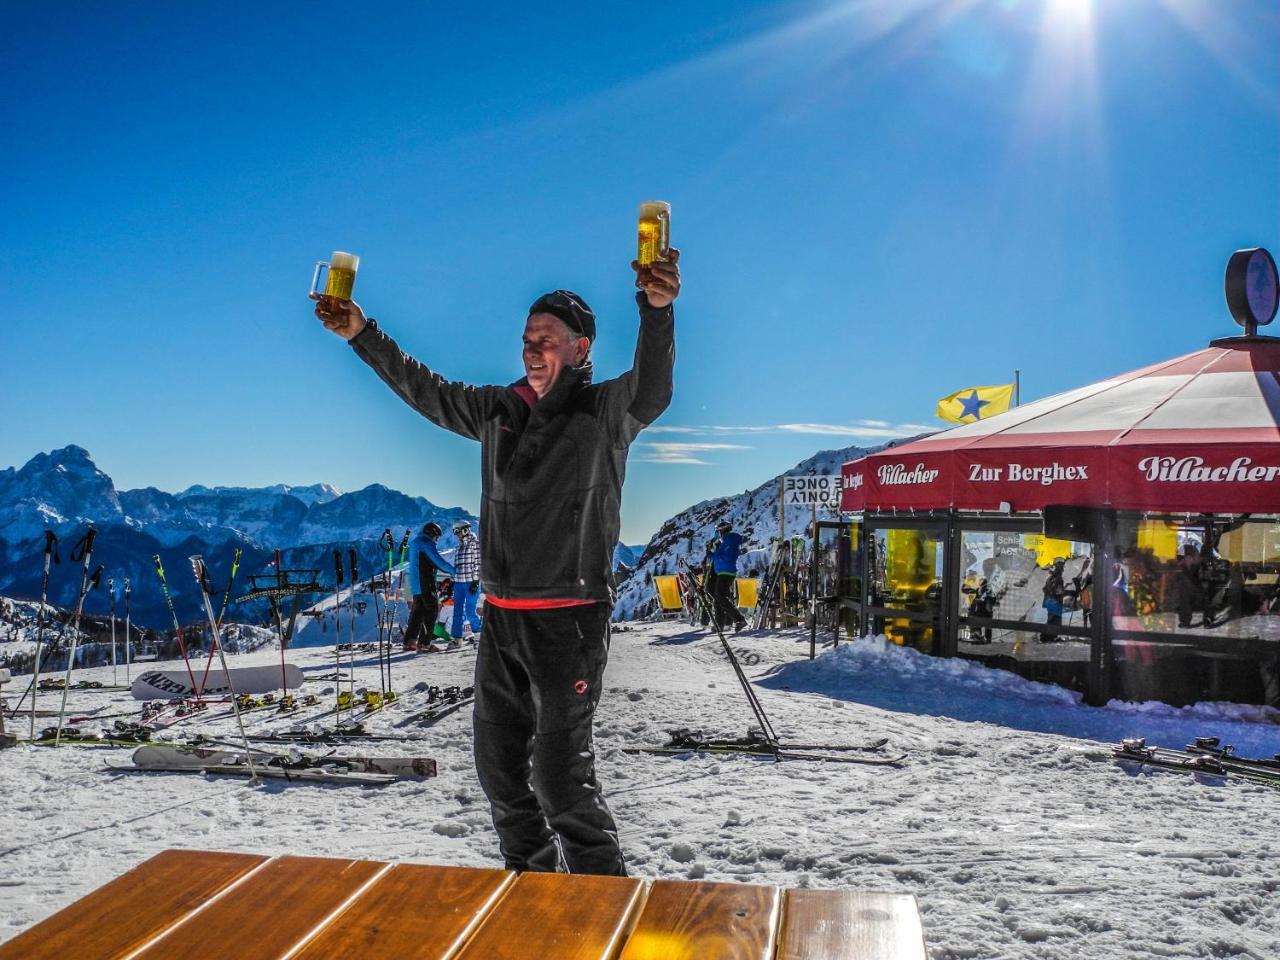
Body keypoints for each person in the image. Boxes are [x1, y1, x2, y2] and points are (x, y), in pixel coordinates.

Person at [315, 248, 679, 877]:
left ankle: (603, 904)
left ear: (581, 348)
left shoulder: (603, 412)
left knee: (561, 781)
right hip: (502, 618)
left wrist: (656, 309)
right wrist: (360, 333)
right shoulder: (498, 411)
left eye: (547, 340)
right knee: (501, 775)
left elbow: (653, 387)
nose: (532, 350)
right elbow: (424, 389)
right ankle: (534, 899)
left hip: (569, 621)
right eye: (526, 340)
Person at [403, 522, 455, 652]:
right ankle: (424, 643)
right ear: (431, 533)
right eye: (436, 537)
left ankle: (409, 642)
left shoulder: (416, 542)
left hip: (416, 583)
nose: (436, 540)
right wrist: (454, 571)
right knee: (431, 611)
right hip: (425, 582)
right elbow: (438, 561)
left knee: (417, 613)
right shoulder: (426, 543)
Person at [707, 520, 747, 633]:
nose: (719, 533)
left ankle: (739, 619)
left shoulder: (730, 540)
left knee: (721, 597)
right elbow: (722, 554)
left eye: (719, 531)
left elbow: (728, 556)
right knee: (718, 597)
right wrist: (712, 554)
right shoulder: (727, 540)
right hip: (723, 571)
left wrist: (713, 556)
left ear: (723, 530)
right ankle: (719, 624)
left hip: (726, 571)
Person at [451, 520, 483, 640]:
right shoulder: (458, 546)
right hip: (458, 583)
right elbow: (457, 566)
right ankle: (456, 639)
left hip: (470, 582)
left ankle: (478, 636)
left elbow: (478, 564)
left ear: (465, 530)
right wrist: (452, 580)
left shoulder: (475, 544)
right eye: (454, 531)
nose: (456, 534)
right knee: (457, 611)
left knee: (470, 610)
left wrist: (475, 581)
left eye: (457, 531)